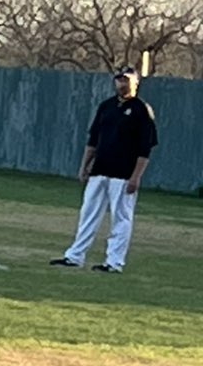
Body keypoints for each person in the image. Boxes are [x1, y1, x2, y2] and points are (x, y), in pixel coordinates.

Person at [50, 66, 158, 274]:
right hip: (100, 170)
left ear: (135, 83)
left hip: (124, 173)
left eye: (126, 80)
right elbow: (93, 140)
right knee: (88, 214)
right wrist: (84, 166)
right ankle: (75, 256)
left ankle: (114, 262)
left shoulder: (141, 110)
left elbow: (145, 148)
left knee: (121, 218)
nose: (121, 83)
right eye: (119, 79)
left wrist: (136, 176)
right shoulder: (107, 106)